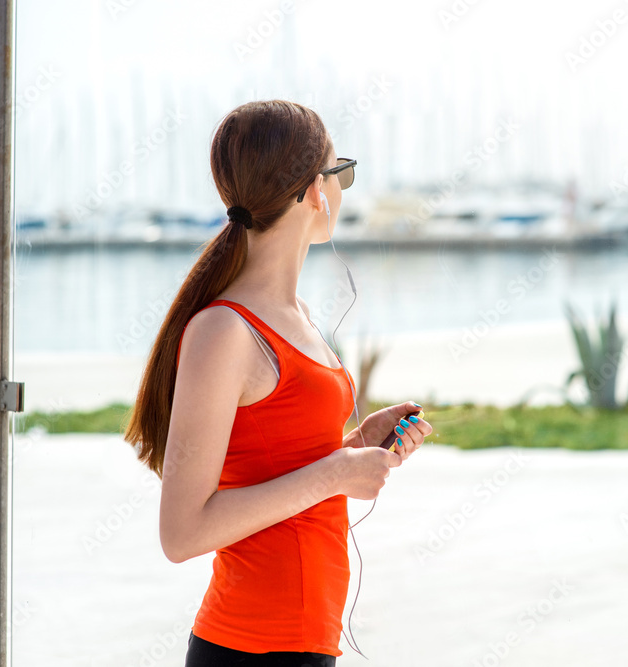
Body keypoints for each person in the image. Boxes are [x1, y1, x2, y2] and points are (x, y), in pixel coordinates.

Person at [124, 99, 432, 666]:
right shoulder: (225, 330)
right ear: (317, 190)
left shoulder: (298, 315)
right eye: (343, 174)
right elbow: (182, 533)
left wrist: (354, 448)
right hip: (250, 648)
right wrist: (334, 473)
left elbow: (279, 463)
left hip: (306, 642)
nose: (344, 190)